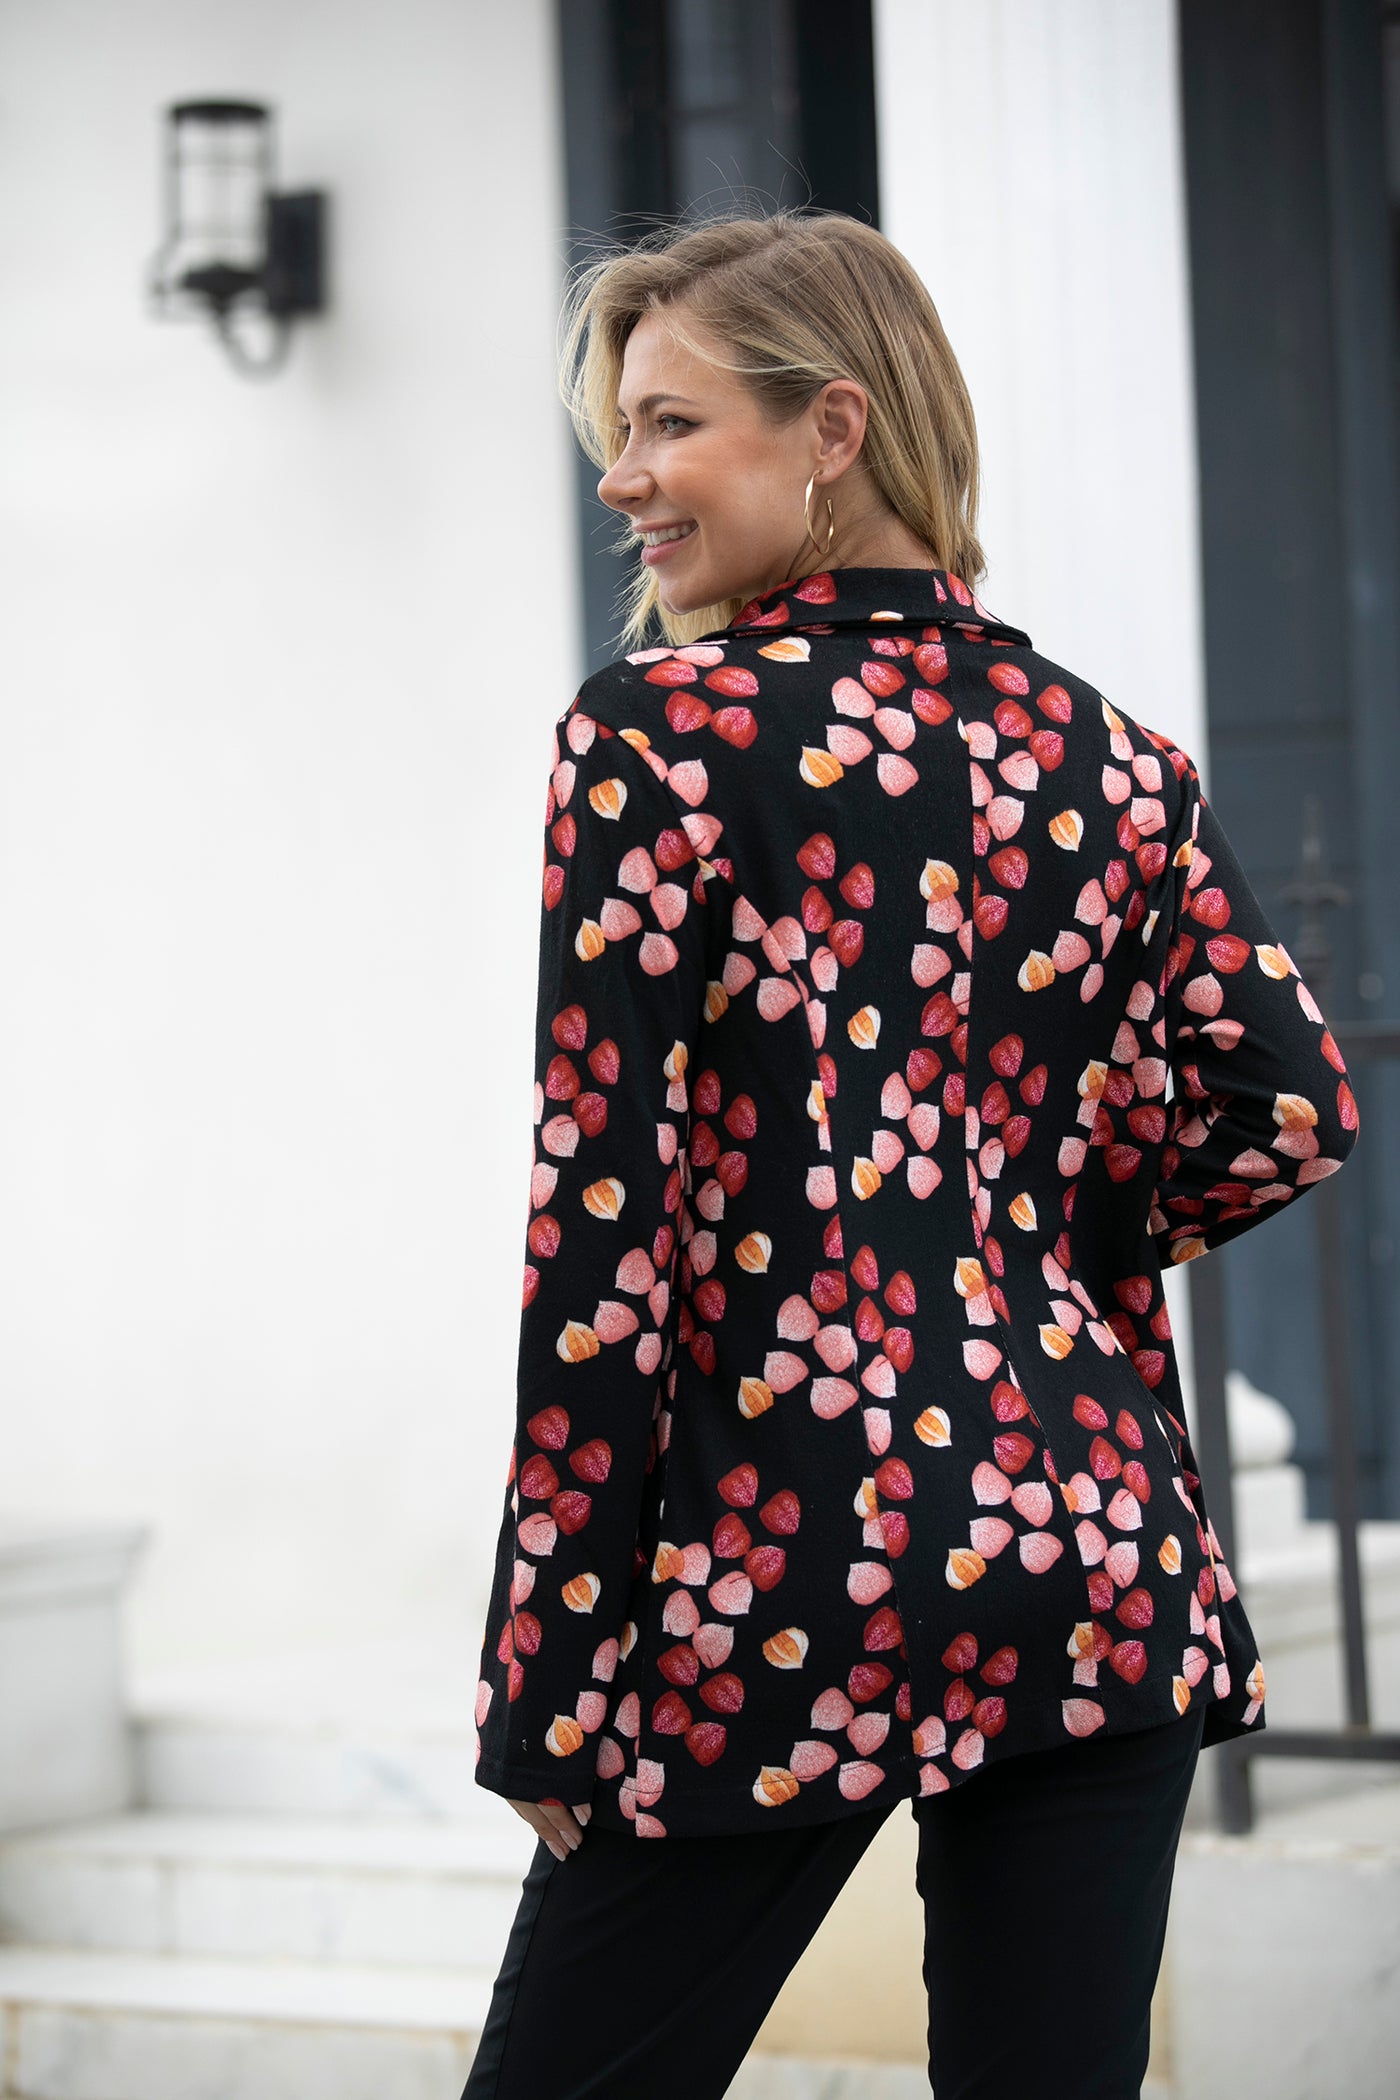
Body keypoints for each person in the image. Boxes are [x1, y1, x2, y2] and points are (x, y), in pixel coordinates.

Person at [459, 211, 1360, 2100]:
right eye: (619, 432)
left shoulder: (660, 742)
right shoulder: (1114, 758)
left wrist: (550, 1668)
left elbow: (605, 1235)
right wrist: (1032, 1246)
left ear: (834, 427)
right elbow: (1291, 1109)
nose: (621, 478)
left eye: (670, 424)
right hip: (1091, 1552)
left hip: (773, 1577)